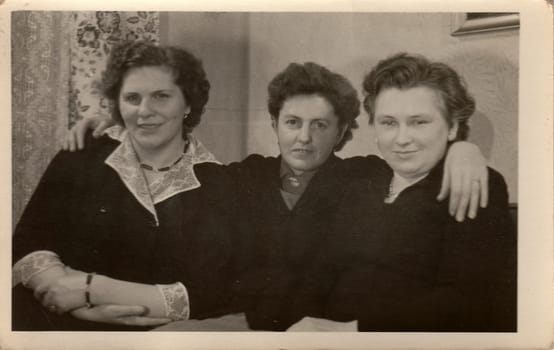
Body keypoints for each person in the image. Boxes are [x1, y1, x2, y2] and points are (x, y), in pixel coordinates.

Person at [62, 60, 490, 331]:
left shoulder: (367, 176)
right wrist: (117, 123)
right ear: (275, 123)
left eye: (320, 125)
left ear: (343, 131)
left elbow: (419, 165)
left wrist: (463, 150)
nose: (303, 138)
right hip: (238, 316)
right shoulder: (244, 176)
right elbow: (174, 162)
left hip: (310, 326)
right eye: (292, 122)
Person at [12, 41, 238, 330]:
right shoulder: (83, 151)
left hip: (146, 334)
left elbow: (209, 291)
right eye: (132, 98)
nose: (144, 111)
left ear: (188, 103)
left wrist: (89, 290)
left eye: (161, 96)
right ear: (117, 104)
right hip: (45, 317)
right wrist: (61, 291)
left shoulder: (218, 184)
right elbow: (29, 241)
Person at [297, 53, 516, 331]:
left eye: (419, 122)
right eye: (388, 122)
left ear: (452, 127)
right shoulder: (359, 177)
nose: (401, 139)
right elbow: (313, 272)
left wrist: (354, 330)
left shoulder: (470, 182)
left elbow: (465, 302)